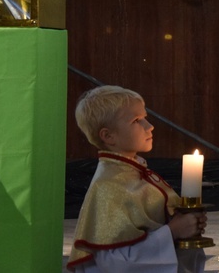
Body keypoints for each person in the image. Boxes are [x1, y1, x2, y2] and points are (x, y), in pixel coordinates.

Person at [67, 86, 207, 273]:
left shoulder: (138, 175)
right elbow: (113, 262)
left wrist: (189, 229)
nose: (149, 126)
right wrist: (173, 232)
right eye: (136, 121)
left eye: (145, 117)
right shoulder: (108, 186)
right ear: (108, 136)